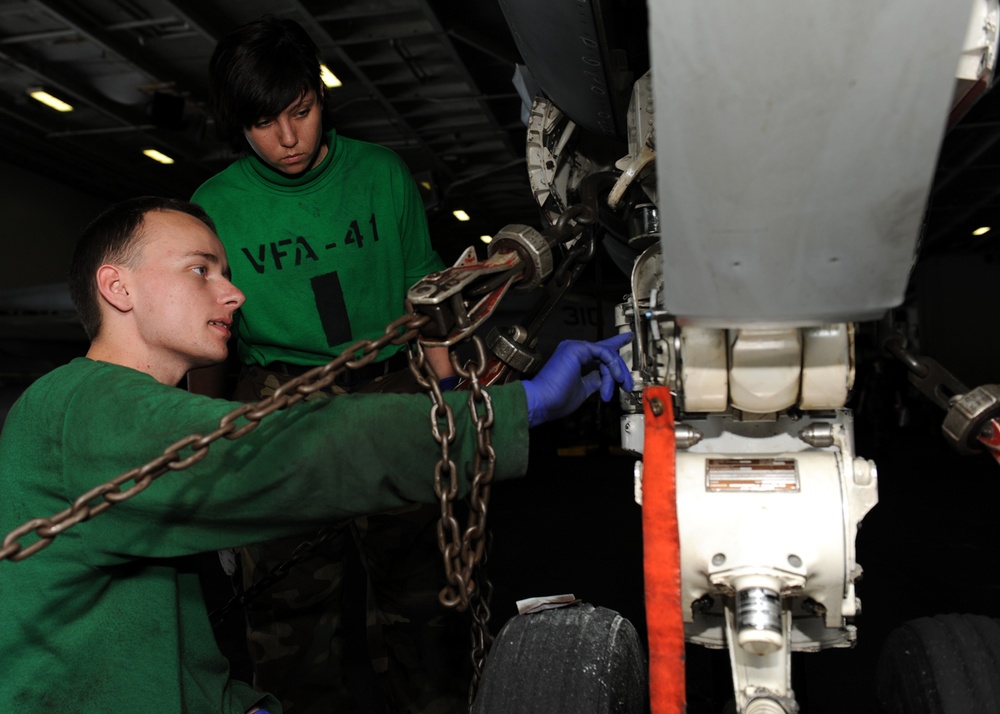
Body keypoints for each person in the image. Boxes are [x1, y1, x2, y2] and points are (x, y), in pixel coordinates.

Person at [0, 196, 633, 713]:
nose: (235, 294)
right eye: (201, 270)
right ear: (118, 287)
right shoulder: (87, 405)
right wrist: (515, 409)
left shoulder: (102, 412)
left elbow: (138, 637)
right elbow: (285, 454)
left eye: (227, 271)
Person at [187, 16, 464, 713]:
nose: (287, 139)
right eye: (262, 123)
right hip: (278, 406)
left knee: (422, 606)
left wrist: (455, 401)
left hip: (392, 391)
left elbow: (424, 295)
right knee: (288, 621)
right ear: (235, 124)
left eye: (301, 113)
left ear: (320, 95)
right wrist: (212, 442)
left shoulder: (380, 174)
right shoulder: (214, 208)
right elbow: (208, 337)